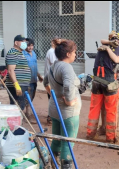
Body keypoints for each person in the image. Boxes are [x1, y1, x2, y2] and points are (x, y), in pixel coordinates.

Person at [43, 40, 81, 169]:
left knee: (57, 139)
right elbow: (69, 87)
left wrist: (55, 94)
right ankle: (66, 166)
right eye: (75, 52)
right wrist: (70, 101)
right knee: (68, 142)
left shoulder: (55, 65)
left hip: (54, 108)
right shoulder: (66, 67)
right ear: (69, 53)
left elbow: (45, 83)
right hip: (67, 112)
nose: (75, 55)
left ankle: (52, 164)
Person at [86, 31, 119, 143]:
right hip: (109, 84)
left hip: (96, 82)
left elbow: (103, 41)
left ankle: (90, 134)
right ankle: (110, 137)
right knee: (111, 110)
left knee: (94, 109)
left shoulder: (102, 47)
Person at [5, 35, 31, 111]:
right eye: (22, 41)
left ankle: (18, 122)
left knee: (20, 106)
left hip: (22, 84)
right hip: (17, 85)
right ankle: (16, 122)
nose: (25, 43)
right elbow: (10, 70)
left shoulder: (20, 53)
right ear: (16, 43)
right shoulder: (12, 53)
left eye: (25, 42)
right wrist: (16, 85)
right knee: (17, 108)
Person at [23, 38, 43, 124]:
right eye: (28, 45)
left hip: (34, 80)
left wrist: (39, 76)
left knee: (31, 98)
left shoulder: (34, 54)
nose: (30, 47)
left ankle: (26, 116)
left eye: (31, 45)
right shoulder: (22, 54)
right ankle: (27, 117)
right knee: (27, 99)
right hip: (26, 80)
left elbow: (35, 66)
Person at [44, 36, 61, 124]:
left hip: (52, 78)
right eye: (57, 42)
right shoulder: (51, 52)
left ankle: (52, 116)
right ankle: (50, 117)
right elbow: (55, 65)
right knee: (53, 99)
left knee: (53, 98)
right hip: (51, 79)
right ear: (52, 43)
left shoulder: (55, 52)